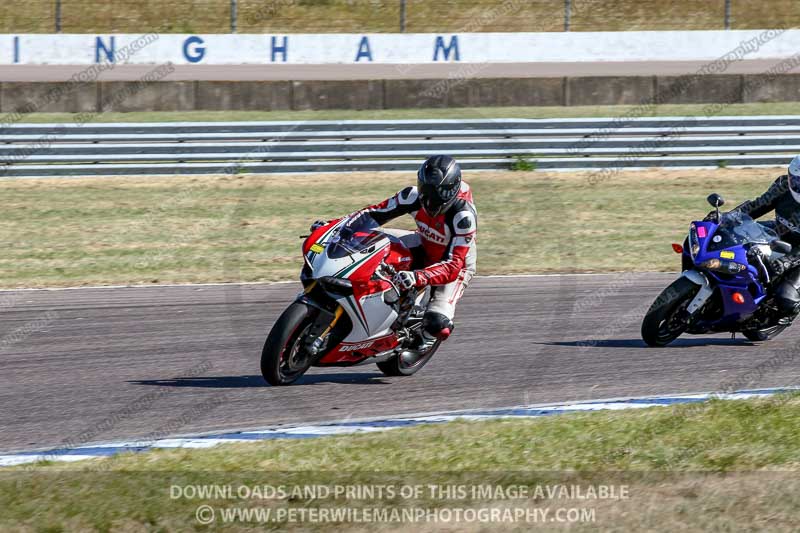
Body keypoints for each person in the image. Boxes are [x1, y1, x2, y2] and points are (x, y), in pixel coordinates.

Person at [314, 155, 477, 353]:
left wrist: (417, 276)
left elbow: (453, 265)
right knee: (367, 240)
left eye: (437, 195)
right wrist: (333, 227)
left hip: (454, 265)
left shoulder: (463, 218)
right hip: (423, 242)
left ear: (451, 190)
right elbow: (372, 214)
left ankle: (423, 340)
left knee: (438, 324)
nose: (429, 201)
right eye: (427, 192)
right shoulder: (412, 196)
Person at [730, 155, 800, 324]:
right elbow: (756, 206)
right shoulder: (783, 186)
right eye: (797, 181)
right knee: (735, 240)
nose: (798, 187)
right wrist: (728, 217)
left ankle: (776, 317)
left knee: (786, 298)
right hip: (778, 232)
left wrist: (787, 262)